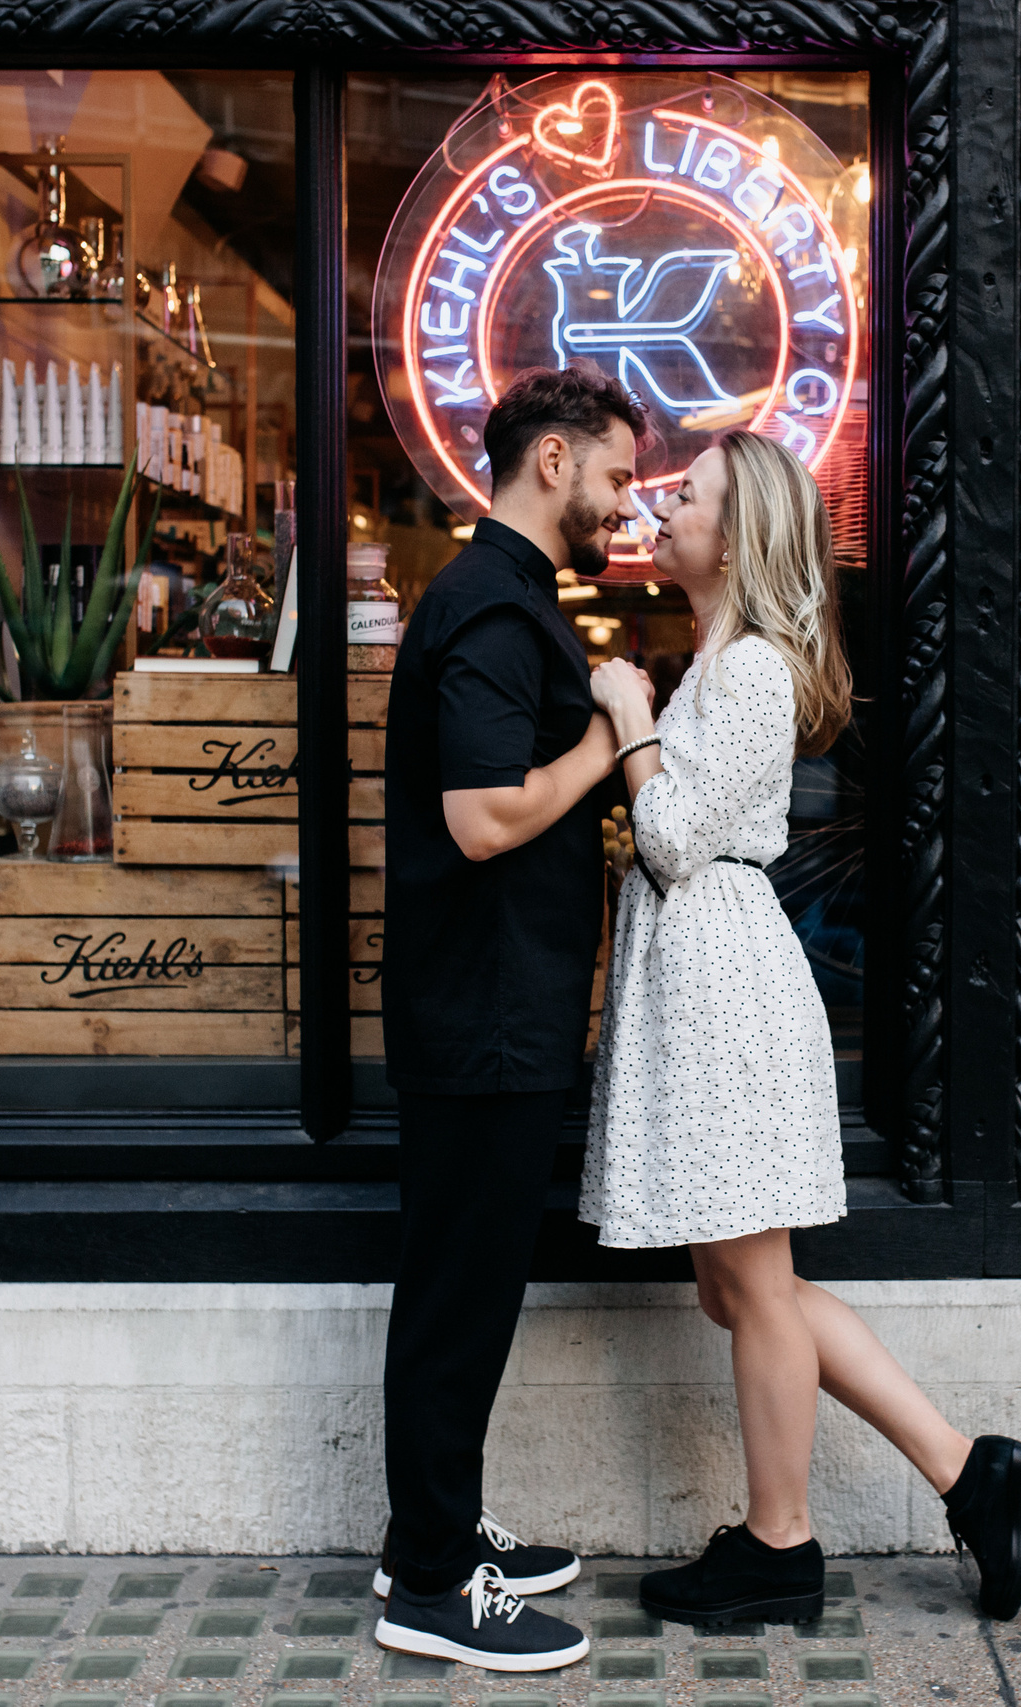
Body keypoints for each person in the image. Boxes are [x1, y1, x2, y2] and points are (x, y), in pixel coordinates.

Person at [581, 430, 1021, 1629]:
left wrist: (629, 720)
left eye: (686, 495)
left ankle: (782, 1543)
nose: (664, 505)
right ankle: (969, 1470)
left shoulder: (742, 673)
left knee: (756, 1288)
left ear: (737, 538)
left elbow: (676, 840)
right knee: (746, 1291)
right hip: (702, 984)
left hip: (725, 989)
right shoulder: (716, 662)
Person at [372, 362, 650, 1673]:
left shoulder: (509, 596)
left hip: (496, 1006)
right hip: (482, 1014)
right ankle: (428, 1580)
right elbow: (482, 817)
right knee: (457, 1298)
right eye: (614, 473)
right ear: (554, 460)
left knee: (466, 1291)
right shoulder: (488, 606)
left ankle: (432, 1529)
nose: (624, 499)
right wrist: (612, 730)